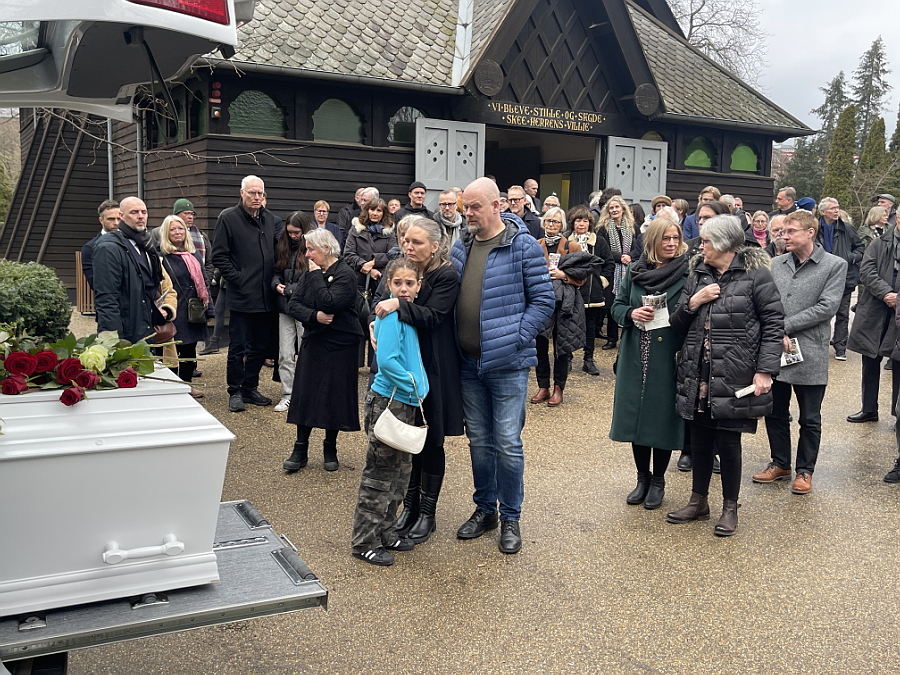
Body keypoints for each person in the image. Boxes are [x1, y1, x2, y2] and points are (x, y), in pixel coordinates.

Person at [452, 177, 554, 554]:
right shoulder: (461, 245)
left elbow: (543, 301)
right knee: (479, 441)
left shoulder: (522, 245)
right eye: (465, 207)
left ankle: (511, 516)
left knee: (508, 443)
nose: (468, 213)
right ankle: (485, 509)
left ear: (497, 205)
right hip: (468, 364)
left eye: (475, 207)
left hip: (508, 364)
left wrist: (515, 338)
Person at [666, 215, 784, 537]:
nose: (700, 246)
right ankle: (698, 501)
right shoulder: (697, 274)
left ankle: (730, 508)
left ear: (723, 244)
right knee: (699, 440)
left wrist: (765, 370)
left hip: (735, 373)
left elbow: (774, 324)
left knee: (729, 443)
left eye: (705, 241)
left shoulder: (756, 275)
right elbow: (677, 323)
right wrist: (694, 301)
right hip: (698, 372)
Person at [372, 217, 464, 545]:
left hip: (434, 367)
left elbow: (433, 316)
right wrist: (374, 322)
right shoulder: (404, 269)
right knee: (409, 438)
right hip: (408, 364)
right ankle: (409, 507)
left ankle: (427, 512)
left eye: (417, 242)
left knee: (431, 439)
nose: (408, 246)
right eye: (406, 240)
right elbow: (379, 301)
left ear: (435, 247)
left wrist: (397, 304)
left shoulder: (446, 275)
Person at [749, 210, 846, 495]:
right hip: (775, 350)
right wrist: (773, 331)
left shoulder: (834, 265)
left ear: (810, 232)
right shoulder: (775, 263)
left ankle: (805, 471)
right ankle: (780, 463)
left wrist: (783, 327)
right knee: (775, 411)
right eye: (782, 232)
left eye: (791, 231)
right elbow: (763, 300)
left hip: (810, 350)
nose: (784, 236)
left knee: (810, 417)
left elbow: (827, 307)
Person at [350, 257, 430, 566]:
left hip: (405, 400)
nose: (404, 288)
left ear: (418, 286)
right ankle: (364, 541)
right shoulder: (390, 315)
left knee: (400, 472)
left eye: (410, 283)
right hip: (389, 399)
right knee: (380, 474)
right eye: (398, 283)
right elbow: (387, 362)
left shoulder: (406, 314)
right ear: (389, 285)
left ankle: (385, 530)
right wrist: (416, 384)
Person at [609, 217, 689, 510]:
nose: (671, 243)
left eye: (675, 238)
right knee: (636, 416)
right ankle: (642, 478)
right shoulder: (635, 271)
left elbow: (691, 313)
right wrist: (631, 314)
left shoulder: (687, 273)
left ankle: (658, 481)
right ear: (653, 240)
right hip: (636, 350)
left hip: (667, 352)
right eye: (665, 238)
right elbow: (616, 306)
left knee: (661, 416)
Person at [282, 229, 362, 472]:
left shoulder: (345, 273)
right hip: (316, 339)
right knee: (305, 393)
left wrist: (316, 276)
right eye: (306, 249)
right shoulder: (311, 273)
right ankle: (300, 448)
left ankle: (330, 447)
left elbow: (331, 302)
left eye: (311, 249)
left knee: (334, 395)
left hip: (341, 343)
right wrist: (314, 315)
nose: (307, 254)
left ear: (326, 249)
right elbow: (293, 305)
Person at [211, 175, 280, 413]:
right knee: (238, 347)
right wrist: (238, 278)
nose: (257, 197)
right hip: (242, 295)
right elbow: (219, 256)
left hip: (266, 296)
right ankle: (235, 391)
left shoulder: (269, 219)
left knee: (259, 347)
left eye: (260, 193)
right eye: (252, 193)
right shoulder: (228, 218)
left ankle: (250, 387)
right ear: (242, 193)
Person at [93, 197, 177, 345]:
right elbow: (107, 298)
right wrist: (113, 341)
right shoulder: (108, 247)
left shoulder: (145, 244)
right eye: (134, 212)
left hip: (146, 326)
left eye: (144, 212)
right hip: (126, 331)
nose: (140, 216)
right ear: (121, 216)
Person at [530, 206, 589, 407]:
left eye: (555, 221)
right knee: (539, 343)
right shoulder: (536, 245)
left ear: (562, 225)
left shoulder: (573, 247)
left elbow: (583, 276)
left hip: (565, 303)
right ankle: (543, 386)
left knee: (562, 346)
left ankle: (558, 388)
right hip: (541, 300)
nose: (551, 224)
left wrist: (564, 275)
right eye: (548, 220)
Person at [846, 213, 900, 423]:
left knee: (898, 362)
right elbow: (867, 271)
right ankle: (869, 409)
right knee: (870, 359)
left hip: (898, 312)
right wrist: (886, 294)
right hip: (875, 308)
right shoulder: (879, 243)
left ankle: (898, 413)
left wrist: (898, 299)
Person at [159, 214, 213, 398]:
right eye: (173, 229)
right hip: (174, 309)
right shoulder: (161, 256)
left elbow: (204, 282)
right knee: (171, 351)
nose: (177, 232)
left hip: (193, 310)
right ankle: (171, 387)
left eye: (180, 228)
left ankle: (187, 385)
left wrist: (209, 309)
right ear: (166, 233)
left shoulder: (193, 253)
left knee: (189, 351)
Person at [344, 198, 397, 366]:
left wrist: (374, 263)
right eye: (372, 210)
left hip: (381, 281)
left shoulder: (390, 231)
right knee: (358, 319)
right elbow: (348, 253)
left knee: (378, 319)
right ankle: (357, 362)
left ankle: (376, 361)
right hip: (359, 283)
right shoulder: (356, 229)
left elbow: (393, 254)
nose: (375, 213)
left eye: (379, 210)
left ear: (384, 213)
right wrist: (363, 265)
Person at [272, 212, 315, 412]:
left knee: (307, 352)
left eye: (296, 232)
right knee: (285, 354)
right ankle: (288, 393)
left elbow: (313, 277)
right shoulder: (282, 246)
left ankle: (307, 393)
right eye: (289, 232)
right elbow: (276, 272)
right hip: (285, 307)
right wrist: (276, 285)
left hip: (304, 307)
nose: (293, 236)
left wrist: (290, 289)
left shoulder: (312, 247)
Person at [567, 205, 614, 375]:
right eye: (578, 220)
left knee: (590, 327)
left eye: (585, 221)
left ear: (590, 223)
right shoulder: (566, 241)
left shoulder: (598, 242)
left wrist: (601, 281)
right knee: (569, 327)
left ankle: (588, 360)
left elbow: (609, 263)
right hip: (571, 292)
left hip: (592, 294)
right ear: (572, 223)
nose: (581, 224)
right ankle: (567, 359)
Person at [815, 197, 863, 361]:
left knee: (842, 314)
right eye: (832, 208)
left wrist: (850, 258)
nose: (836, 210)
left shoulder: (847, 229)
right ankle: (820, 345)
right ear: (823, 212)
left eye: (837, 207)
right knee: (821, 313)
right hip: (820, 277)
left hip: (844, 276)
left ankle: (840, 347)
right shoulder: (814, 229)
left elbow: (860, 248)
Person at [596, 195, 642, 350]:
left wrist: (630, 257)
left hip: (630, 269)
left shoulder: (633, 227)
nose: (614, 210)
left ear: (623, 209)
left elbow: (639, 247)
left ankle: (626, 339)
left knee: (629, 303)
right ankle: (611, 338)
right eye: (611, 208)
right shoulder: (603, 228)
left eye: (617, 207)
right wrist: (620, 257)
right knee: (612, 305)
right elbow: (603, 250)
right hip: (612, 269)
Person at [81, 199, 120, 288]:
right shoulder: (90, 247)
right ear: (101, 220)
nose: (116, 223)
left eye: (119, 219)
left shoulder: (130, 242)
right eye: (111, 219)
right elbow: (95, 283)